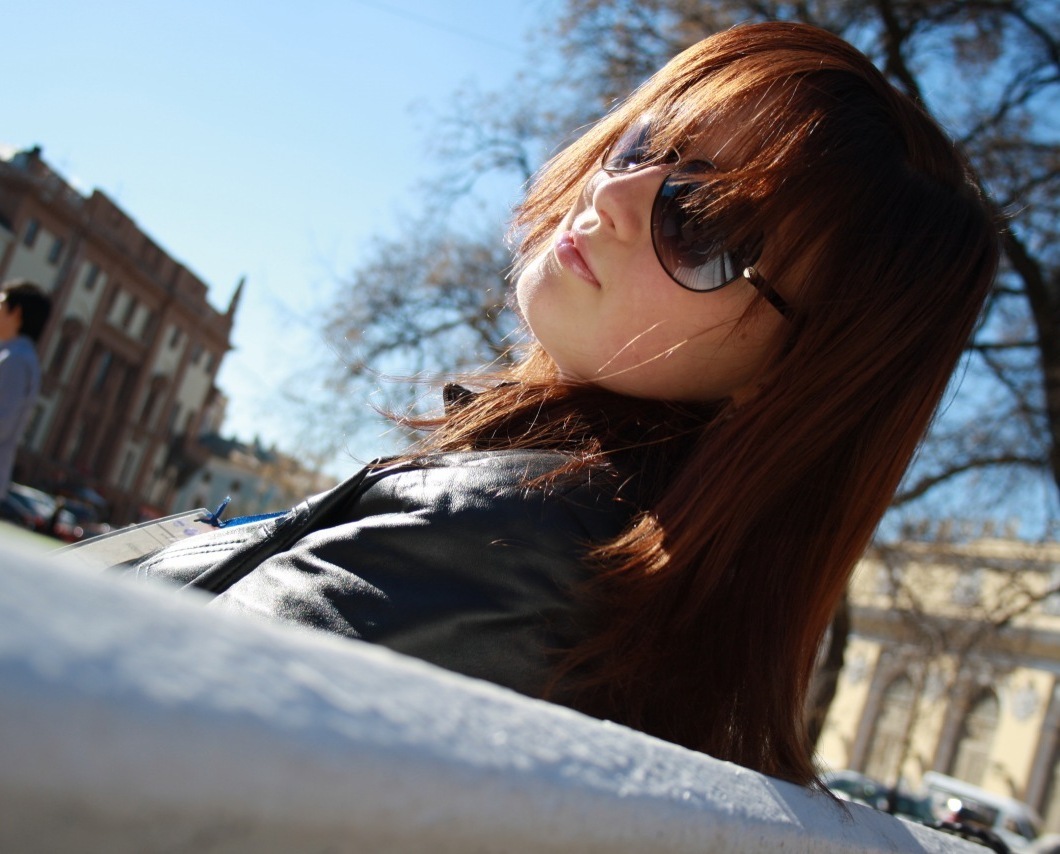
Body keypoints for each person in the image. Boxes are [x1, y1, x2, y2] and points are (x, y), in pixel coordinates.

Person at [123, 22, 998, 786]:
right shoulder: (572, 543)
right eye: (647, 145)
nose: (611, 195)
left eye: (705, 222)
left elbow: (107, 719)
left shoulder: (507, 546)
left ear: (790, 374)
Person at [0, 279, 51, 500]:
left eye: (1, 305)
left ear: (16, 313)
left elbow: (3, 422)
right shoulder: (17, 357)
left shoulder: (16, 360)